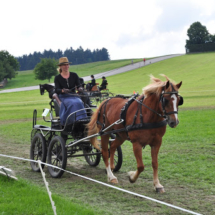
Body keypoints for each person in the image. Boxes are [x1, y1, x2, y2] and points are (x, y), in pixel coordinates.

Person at [54, 57, 87, 126]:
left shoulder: (74, 75)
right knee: (73, 103)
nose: (66, 66)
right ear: (60, 66)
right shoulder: (57, 78)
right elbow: (57, 90)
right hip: (63, 97)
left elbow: (79, 85)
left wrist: (80, 88)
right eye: (64, 65)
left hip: (73, 95)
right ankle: (72, 121)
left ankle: (82, 119)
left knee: (79, 102)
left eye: (67, 65)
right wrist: (63, 90)